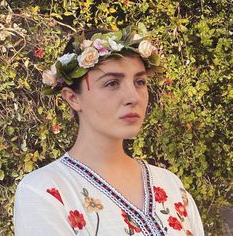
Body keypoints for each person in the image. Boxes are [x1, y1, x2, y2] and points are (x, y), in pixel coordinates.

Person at [14, 23, 205, 236]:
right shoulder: (45, 192)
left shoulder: (170, 184)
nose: (133, 97)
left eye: (140, 82)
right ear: (73, 98)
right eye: (112, 83)